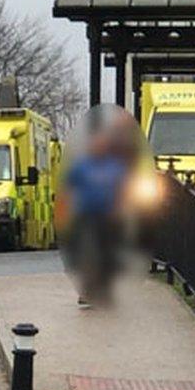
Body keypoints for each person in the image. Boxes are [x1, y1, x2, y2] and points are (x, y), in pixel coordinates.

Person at [64, 131, 129, 307]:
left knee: (107, 253)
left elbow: (123, 191)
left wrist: (119, 209)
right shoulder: (81, 166)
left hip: (108, 216)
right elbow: (70, 188)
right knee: (87, 253)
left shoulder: (115, 167)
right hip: (86, 215)